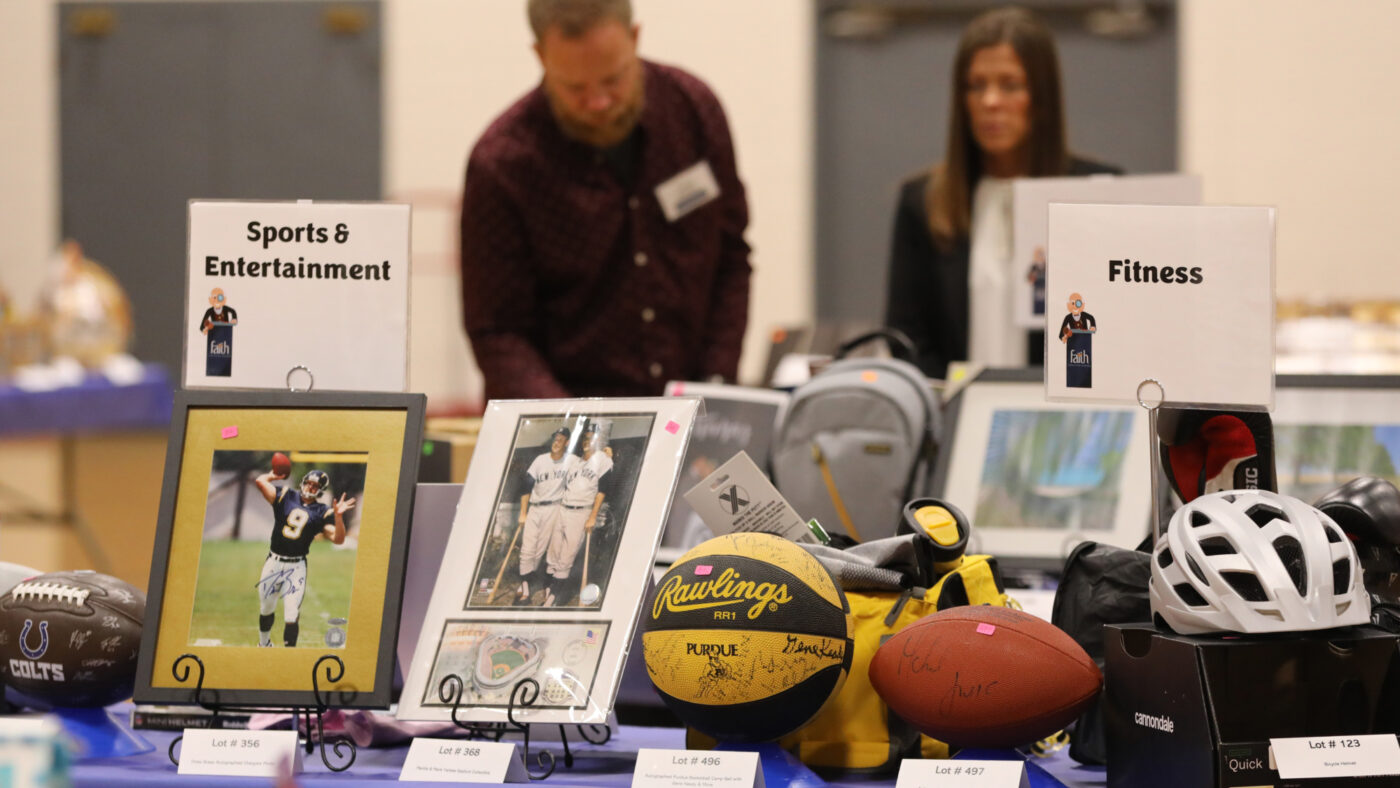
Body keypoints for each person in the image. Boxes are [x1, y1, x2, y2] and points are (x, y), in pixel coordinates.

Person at [459, 0, 752, 400]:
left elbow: (730, 256)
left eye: (613, 79)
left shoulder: (693, 110)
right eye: (575, 88)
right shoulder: (503, 164)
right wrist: (572, 424)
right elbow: (497, 330)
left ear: (634, 37)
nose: (598, 101)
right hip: (566, 413)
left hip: (692, 401)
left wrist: (715, 385)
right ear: (541, 56)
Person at [884, 6, 1120, 380]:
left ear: (1041, 98)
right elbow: (907, 339)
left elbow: (1116, 329)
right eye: (976, 86)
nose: (990, 101)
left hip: (1060, 408)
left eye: (1010, 85)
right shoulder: (923, 202)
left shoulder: (1096, 195)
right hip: (956, 408)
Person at [252, 466, 354, 647]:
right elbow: (260, 482)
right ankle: (264, 644)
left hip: (296, 567)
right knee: (266, 609)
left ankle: (290, 654)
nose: (310, 487)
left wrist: (338, 517)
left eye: (315, 486)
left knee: (291, 615)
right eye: (308, 483)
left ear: (320, 490)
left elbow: (338, 539)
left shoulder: (322, 511)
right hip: (273, 562)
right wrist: (272, 475)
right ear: (303, 482)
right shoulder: (286, 495)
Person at [544, 424, 615, 606]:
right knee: (553, 552)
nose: (586, 441)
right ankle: (549, 590)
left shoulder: (602, 459)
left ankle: (553, 599)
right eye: (585, 438)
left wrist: (592, 517)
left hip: (581, 511)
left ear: (597, 441)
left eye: (591, 438)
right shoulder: (575, 461)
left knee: (567, 555)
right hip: (563, 508)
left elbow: (602, 491)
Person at [515, 427, 580, 605]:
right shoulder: (540, 460)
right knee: (527, 549)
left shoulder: (572, 460)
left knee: (543, 551)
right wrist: (523, 513)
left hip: (554, 508)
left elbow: (590, 464)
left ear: (567, 442)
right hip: (535, 508)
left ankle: (545, 585)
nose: (556, 442)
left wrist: (605, 454)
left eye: (560, 439)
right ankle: (525, 590)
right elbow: (526, 486)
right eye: (555, 439)